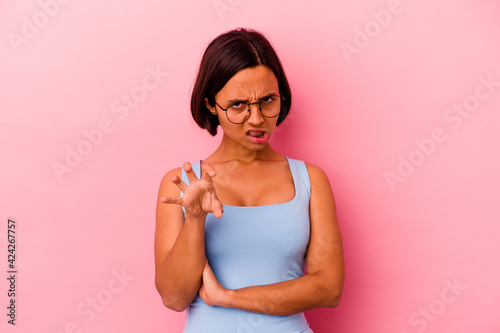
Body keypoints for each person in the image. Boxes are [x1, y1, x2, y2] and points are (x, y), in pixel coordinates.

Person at [154, 28, 344, 333]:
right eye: (238, 105)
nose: (256, 118)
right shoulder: (181, 186)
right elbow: (174, 298)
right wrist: (195, 219)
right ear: (210, 105)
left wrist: (228, 297)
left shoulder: (310, 181)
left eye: (267, 100)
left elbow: (329, 289)